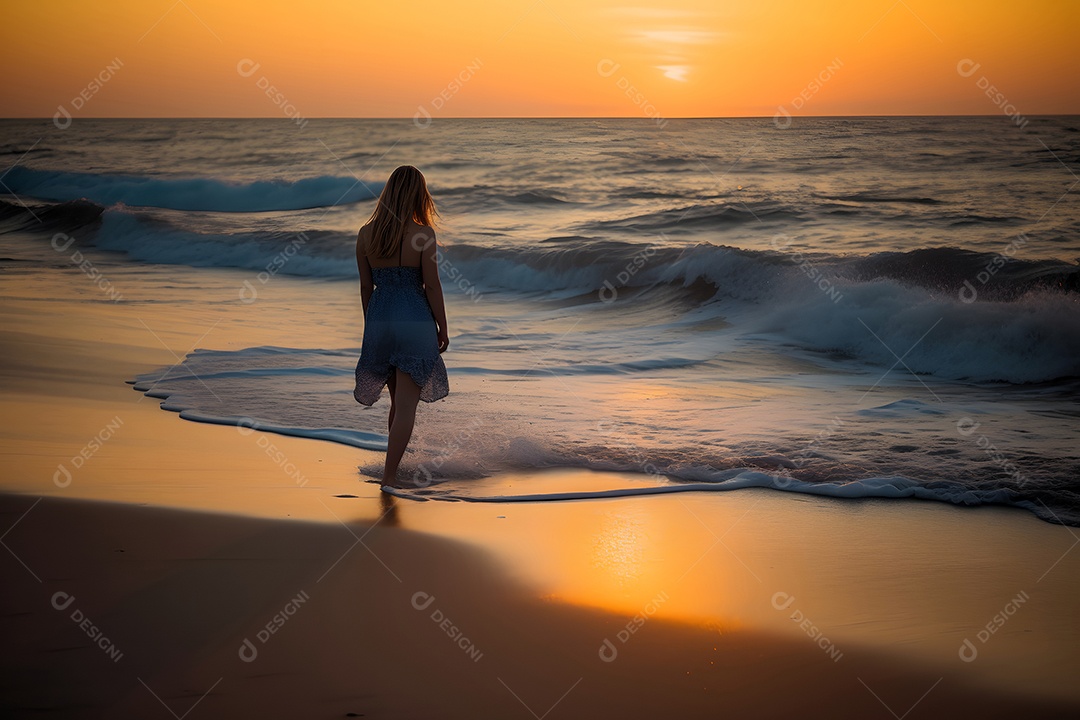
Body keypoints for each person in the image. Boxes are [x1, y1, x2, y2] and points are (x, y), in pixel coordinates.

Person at [353, 165, 449, 487]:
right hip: (414, 319)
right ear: (419, 194)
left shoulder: (366, 234)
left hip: (380, 317)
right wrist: (442, 327)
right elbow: (432, 287)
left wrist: (373, 326)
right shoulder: (424, 234)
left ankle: (392, 469)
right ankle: (390, 477)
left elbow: (366, 288)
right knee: (406, 406)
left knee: (397, 403)